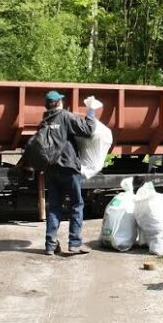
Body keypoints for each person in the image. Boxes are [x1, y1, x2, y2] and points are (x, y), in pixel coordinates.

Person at [40, 90, 97, 256]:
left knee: (54, 207)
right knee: (77, 205)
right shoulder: (65, 116)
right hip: (69, 168)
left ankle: (50, 246)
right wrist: (91, 112)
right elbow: (88, 131)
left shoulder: (44, 121)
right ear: (58, 103)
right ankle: (74, 244)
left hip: (51, 169)